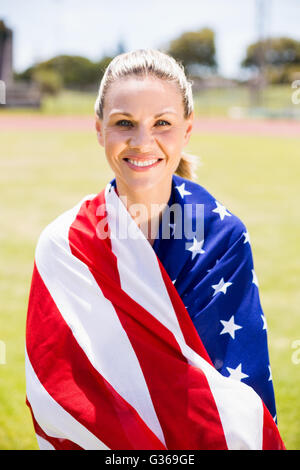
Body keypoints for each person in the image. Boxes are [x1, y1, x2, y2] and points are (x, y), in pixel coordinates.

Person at [25, 49, 285, 450]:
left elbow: (239, 395)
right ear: (99, 130)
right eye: (124, 123)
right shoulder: (64, 245)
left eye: (162, 123)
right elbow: (59, 395)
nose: (142, 141)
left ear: (187, 130)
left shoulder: (222, 237)